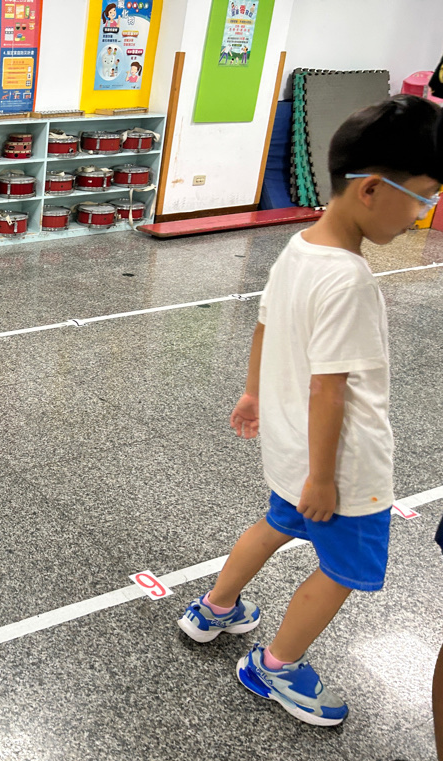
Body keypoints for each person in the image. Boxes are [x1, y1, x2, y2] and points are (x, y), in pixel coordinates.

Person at [177, 94, 443, 727]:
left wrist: (253, 393)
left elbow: (265, 324)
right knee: (345, 569)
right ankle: (275, 666)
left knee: (276, 523)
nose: (424, 213)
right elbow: (331, 390)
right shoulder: (349, 279)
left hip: (293, 448)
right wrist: (325, 479)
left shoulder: (298, 247)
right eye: (423, 198)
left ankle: (215, 608)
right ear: (372, 189)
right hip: (341, 470)